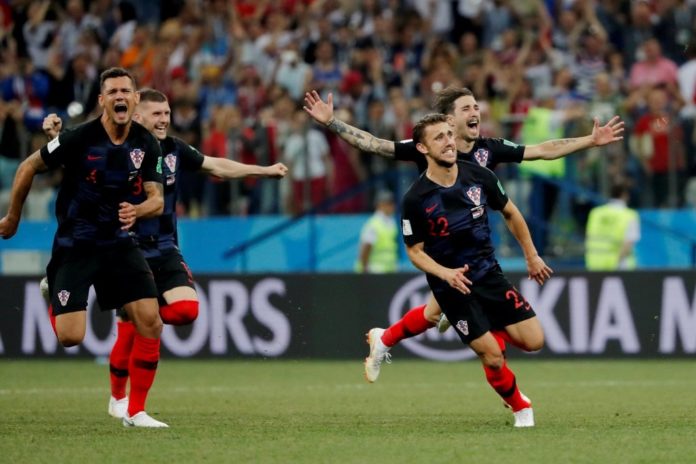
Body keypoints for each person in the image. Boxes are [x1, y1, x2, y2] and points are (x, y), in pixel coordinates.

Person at [303, 86, 623, 382]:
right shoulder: (429, 145)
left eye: (476, 107)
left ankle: (384, 338)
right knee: (464, 328)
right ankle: (507, 389)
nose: (475, 112)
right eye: (466, 108)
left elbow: (543, 149)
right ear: (449, 119)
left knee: (433, 314)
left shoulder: (489, 149)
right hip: (442, 253)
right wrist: (332, 123)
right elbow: (376, 144)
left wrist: (589, 140)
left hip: (476, 249)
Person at [42, 88, 289, 420]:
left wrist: (264, 170)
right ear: (137, 115)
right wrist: (57, 138)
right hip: (124, 248)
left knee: (184, 311)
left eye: (167, 113)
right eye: (156, 114)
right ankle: (120, 399)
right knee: (129, 326)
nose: (164, 120)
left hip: (164, 247)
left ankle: (128, 384)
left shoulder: (174, 149)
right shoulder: (118, 148)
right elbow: (79, 161)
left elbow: (216, 165)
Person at [0, 67, 168, 428]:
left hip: (119, 242)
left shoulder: (147, 143)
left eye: (126, 91)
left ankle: (136, 411)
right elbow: (28, 166)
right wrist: (13, 217)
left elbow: (157, 199)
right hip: (76, 243)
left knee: (151, 322)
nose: (120, 96)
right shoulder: (79, 138)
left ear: (136, 98)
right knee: (71, 337)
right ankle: (53, 291)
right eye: (113, 92)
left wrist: (138, 210)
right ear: (102, 100)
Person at [399, 113, 552, 427]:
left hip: (488, 274)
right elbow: (414, 252)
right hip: (452, 287)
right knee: (493, 357)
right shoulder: (415, 198)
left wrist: (532, 255)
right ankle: (521, 407)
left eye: (449, 134)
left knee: (535, 341)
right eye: (439, 137)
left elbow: (511, 212)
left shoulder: (480, 176)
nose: (448, 142)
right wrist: (445, 274)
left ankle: (483, 324)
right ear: (422, 148)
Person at [585, 182, 640, 270]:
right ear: (625, 195)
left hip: (594, 264)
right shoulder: (629, 215)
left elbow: (588, 236)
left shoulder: (596, 213)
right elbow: (628, 243)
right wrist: (615, 264)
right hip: (618, 267)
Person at [355, 190, 398, 273]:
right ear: (380, 205)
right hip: (374, 270)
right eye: (388, 204)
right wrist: (365, 270)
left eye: (392, 203)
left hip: (388, 270)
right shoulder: (374, 224)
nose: (392, 206)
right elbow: (366, 248)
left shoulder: (391, 222)